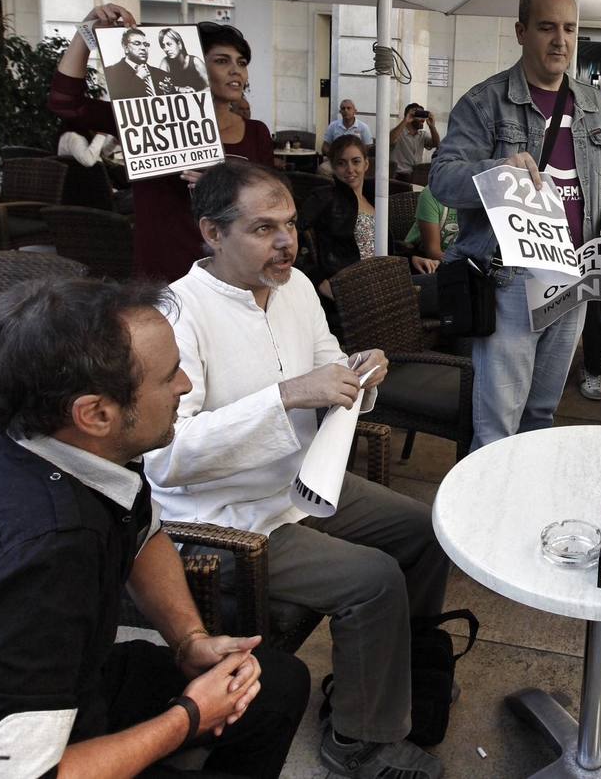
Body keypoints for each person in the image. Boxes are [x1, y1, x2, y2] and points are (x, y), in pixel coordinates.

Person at [0, 278, 310, 777]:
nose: (186, 385)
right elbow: (21, 774)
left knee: (276, 684)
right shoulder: (44, 558)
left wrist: (188, 640)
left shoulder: (49, 444)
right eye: (168, 377)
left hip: (66, 689)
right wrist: (187, 718)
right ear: (96, 413)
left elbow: (144, 537)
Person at [145, 159, 449, 779]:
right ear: (212, 232)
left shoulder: (298, 288)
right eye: (263, 229)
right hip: (226, 516)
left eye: (288, 224)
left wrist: (359, 373)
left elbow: (328, 367)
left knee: (426, 532)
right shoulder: (178, 314)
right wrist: (286, 395)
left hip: (300, 483)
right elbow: (169, 458)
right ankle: (357, 740)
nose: (286, 242)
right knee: (373, 579)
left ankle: (384, 677)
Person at [428, 0, 601, 450]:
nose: (560, 40)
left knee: (541, 412)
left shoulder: (596, 106)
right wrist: (496, 168)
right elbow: (442, 179)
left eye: (569, 28)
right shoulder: (485, 102)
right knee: (498, 423)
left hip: (575, 276)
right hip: (510, 280)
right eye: (546, 27)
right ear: (521, 32)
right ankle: (487, 515)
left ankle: (522, 507)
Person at [50, 8, 274, 282]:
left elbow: (271, 200)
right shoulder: (145, 118)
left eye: (241, 62)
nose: (235, 70)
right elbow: (65, 101)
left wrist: (225, 184)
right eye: (222, 60)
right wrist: (86, 31)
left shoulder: (256, 132)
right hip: (164, 272)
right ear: (196, 66)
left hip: (232, 270)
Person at [103, 27, 171, 99]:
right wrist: (138, 78)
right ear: (126, 47)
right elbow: (119, 101)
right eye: (137, 43)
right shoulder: (110, 73)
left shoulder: (162, 74)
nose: (143, 48)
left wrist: (170, 92)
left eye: (145, 44)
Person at [404, 185, 456, 269]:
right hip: (422, 259)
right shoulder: (433, 193)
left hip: (458, 261)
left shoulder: (480, 195)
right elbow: (433, 252)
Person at [390, 102, 440, 175]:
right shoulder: (398, 132)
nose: (422, 120)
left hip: (416, 175)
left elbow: (437, 144)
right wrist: (405, 120)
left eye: (423, 115)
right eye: (418, 115)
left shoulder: (422, 135)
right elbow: (390, 140)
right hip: (399, 176)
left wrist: (432, 127)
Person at [155, 27, 209, 93]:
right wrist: (179, 89)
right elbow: (161, 86)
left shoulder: (195, 62)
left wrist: (194, 94)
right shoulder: (165, 62)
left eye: (169, 44)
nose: (166, 49)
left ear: (179, 44)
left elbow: (212, 87)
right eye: (163, 46)